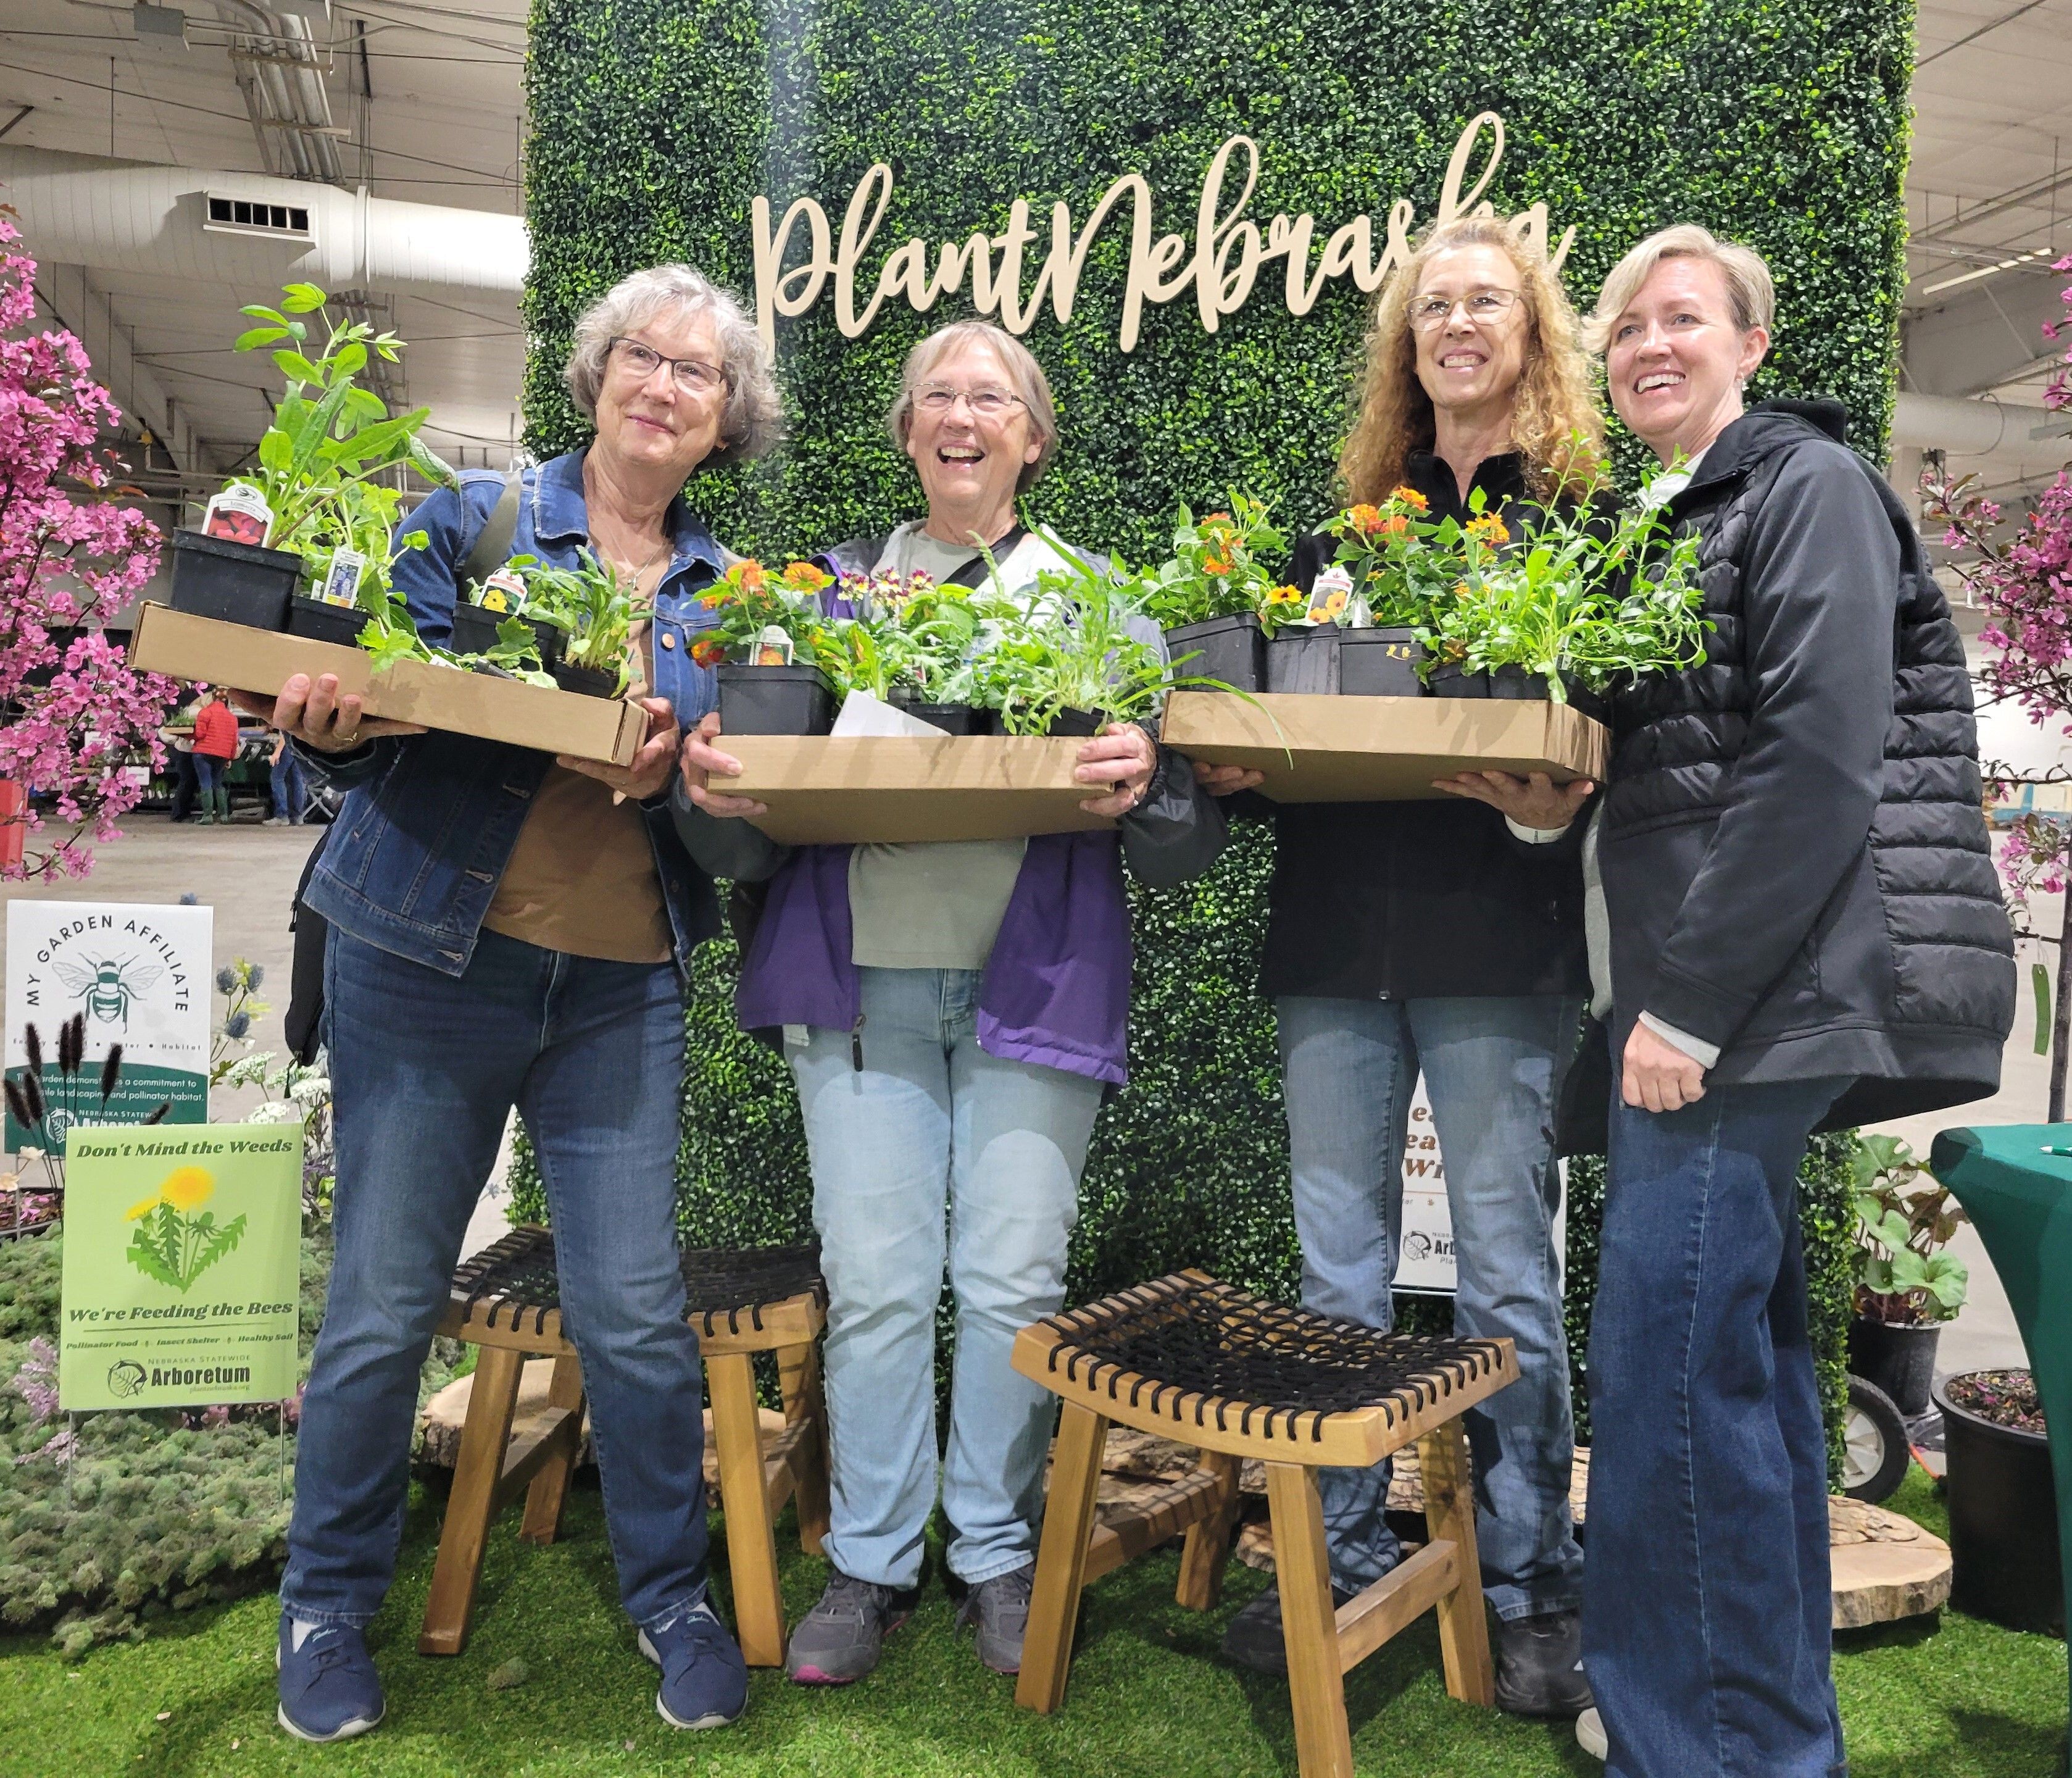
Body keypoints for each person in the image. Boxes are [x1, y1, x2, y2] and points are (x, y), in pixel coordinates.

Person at [1468, 224, 2014, 1775]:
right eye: (1626, 322)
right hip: (1732, 1001)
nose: (1649, 341)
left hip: (1745, 1011)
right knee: (1745, 1377)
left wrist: (1688, 1007)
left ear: (1749, 344)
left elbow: (1816, 764)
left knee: (1668, 1391)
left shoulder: (1801, 489)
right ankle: (1760, 1732)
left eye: (1682, 317)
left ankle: (1698, 1745)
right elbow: (1666, 770)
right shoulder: (1673, 515)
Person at [233, 264, 784, 1743]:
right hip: (422, 958)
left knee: (634, 1315)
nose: (666, 387)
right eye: (644, 359)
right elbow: (376, 733)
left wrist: (682, 783)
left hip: (619, 987)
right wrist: (330, 741)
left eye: (699, 374)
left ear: (724, 419)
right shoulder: (465, 523)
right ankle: (327, 1602)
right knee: (383, 1305)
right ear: (597, 374)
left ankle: (671, 1590)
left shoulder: (731, 601)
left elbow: (737, 843)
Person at [673, 319, 1230, 1687]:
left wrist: (1152, 767)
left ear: (1031, 439)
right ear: (907, 433)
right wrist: (715, 782)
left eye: (989, 396)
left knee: (1010, 1281)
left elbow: (1179, 838)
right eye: (936, 395)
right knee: (871, 1286)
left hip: (1029, 990)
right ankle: (868, 1558)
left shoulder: (1096, 605)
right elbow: (746, 831)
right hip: (857, 986)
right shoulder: (826, 599)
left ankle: (988, 1549)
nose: (959, 414)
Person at [1195, 215, 1602, 1717]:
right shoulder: (1334, 550)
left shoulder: (1577, 538)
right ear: (1404, 343)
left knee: (1504, 1263)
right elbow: (1294, 747)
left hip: (1498, 944)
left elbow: (1608, 745)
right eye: (1433, 306)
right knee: (1336, 1269)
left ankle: (1524, 1577)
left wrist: (1571, 801)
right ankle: (1350, 1553)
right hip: (1333, 943)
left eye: (1483, 301)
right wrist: (1237, 772)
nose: (1455, 323)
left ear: (1528, 333)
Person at [189, 688, 238, 825]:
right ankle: (223, 815)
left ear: (212, 699)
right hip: (222, 754)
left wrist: (189, 735)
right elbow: (234, 741)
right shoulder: (232, 718)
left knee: (206, 782)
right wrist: (230, 758)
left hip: (203, 753)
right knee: (218, 783)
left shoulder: (205, 712)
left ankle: (207, 816)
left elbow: (200, 734)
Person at [265, 732, 307, 825]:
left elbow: (285, 733)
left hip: (287, 746)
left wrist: (277, 753)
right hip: (300, 745)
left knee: (277, 778)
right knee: (297, 780)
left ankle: (282, 815)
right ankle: (297, 816)